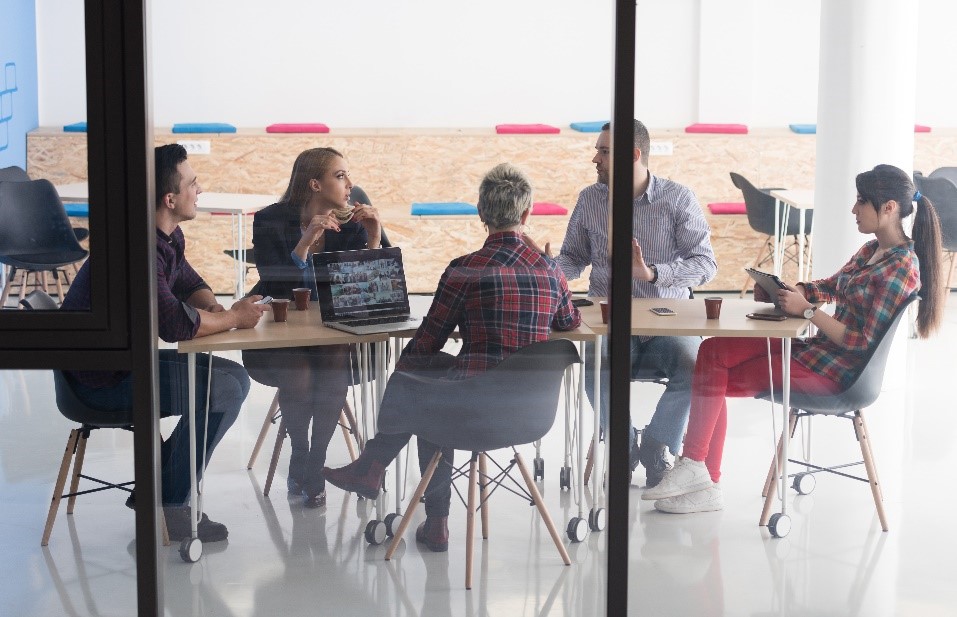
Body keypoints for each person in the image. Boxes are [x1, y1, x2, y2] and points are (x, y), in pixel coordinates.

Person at [644, 164, 944, 514]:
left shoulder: (902, 268)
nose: (853, 209)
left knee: (714, 373)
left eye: (861, 201)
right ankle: (700, 474)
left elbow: (859, 343)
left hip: (838, 375)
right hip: (817, 353)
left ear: (889, 208)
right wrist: (793, 291)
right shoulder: (870, 251)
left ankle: (699, 471)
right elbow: (830, 287)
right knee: (713, 350)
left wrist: (807, 312)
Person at [323, 163, 581, 552]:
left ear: (481, 213)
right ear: (526, 216)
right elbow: (569, 321)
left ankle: (428, 513)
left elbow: (427, 342)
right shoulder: (551, 271)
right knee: (435, 382)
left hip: (471, 410)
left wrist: (400, 377)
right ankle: (373, 469)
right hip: (530, 413)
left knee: (425, 386)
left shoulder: (465, 270)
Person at [60, 144, 267, 542]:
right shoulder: (139, 248)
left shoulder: (165, 236)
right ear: (170, 198)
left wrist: (217, 308)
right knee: (224, 388)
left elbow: (189, 283)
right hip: (99, 383)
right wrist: (232, 319)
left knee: (235, 380)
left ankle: (158, 495)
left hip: (125, 363)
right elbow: (173, 324)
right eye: (192, 184)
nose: (199, 190)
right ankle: (170, 504)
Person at [527, 120, 717, 487]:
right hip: (610, 321)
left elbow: (705, 264)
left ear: (633, 155)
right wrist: (549, 271)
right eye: (598, 149)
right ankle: (624, 444)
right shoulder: (590, 200)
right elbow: (573, 258)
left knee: (696, 370)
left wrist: (652, 274)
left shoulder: (677, 198)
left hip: (668, 321)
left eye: (604, 151)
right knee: (595, 365)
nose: (594, 158)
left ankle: (657, 446)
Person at [242, 148, 382, 508]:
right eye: (340, 176)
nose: (350, 184)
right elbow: (273, 284)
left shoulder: (350, 225)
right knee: (301, 371)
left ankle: (313, 462)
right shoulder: (269, 220)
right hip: (281, 337)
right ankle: (301, 453)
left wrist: (373, 240)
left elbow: (366, 288)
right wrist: (304, 244)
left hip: (330, 336)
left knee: (333, 353)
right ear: (315, 183)